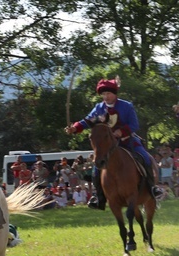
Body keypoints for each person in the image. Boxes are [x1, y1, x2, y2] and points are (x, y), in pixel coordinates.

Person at [65, 77, 162, 209]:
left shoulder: (126, 106)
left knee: (145, 158)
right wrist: (75, 128)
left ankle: (152, 188)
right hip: (108, 146)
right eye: (104, 94)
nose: (106, 96)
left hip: (128, 141)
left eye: (108, 93)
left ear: (115, 94)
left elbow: (134, 125)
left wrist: (121, 132)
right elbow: (87, 121)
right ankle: (99, 197)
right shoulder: (99, 108)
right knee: (96, 168)